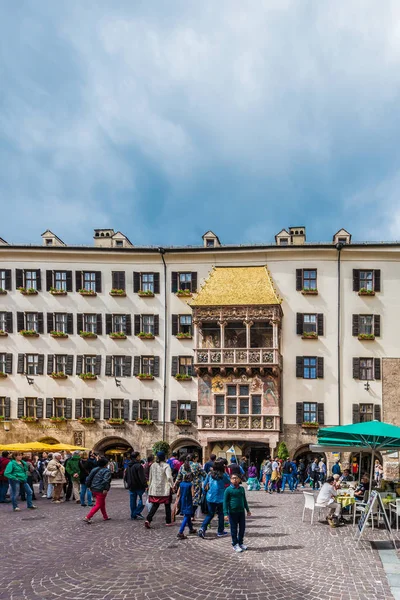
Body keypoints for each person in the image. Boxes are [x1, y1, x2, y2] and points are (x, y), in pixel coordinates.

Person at [198, 460, 230, 539]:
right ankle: (220, 531)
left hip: (210, 497)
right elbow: (229, 481)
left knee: (210, 514)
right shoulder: (223, 475)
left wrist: (205, 492)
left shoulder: (209, 474)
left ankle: (202, 528)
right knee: (221, 514)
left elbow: (204, 485)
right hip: (221, 498)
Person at [145, 451, 174, 529]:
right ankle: (168, 521)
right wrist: (172, 485)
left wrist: (149, 486)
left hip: (155, 488)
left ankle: (148, 519)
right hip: (164, 489)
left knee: (155, 505)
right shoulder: (166, 465)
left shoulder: (153, 465)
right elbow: (169, 477)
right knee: (167, 505)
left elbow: (150, 477)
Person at [223, 474, 251, 553]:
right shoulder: (228, 490)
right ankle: (235, 544)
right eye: (233, 478)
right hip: (232, 512)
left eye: (236, 478)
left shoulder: (241, 489)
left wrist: (247, 510)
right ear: (230, 480)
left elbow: (244, 500)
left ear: (239, 479)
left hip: (241, 512)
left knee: (242, 528)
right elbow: (225, 502)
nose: (235, 480)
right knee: (234, 529)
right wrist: (225, 513)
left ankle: (240, 542)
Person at [83, 457, 112, 524]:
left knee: (102, 503)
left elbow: (89, 478)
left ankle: (105, 516)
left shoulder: (94, 469)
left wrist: (89, 486)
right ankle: (88, 517)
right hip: (101, 489)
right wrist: (105, 488)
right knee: (99, 504)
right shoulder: (106, 470)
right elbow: (106, 480)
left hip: (93, 488)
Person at [124, 451, 147, 520]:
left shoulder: (128, 466)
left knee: (132, 501)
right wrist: (145, 485)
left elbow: (126, 476)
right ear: (137, 457)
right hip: (139, 486)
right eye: (139, 456)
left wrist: (128, 482)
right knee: (143, 500)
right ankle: (135, 513)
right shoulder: (139, 466)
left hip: (131, 486)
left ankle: (133, 515)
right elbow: (142, 477)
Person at [176, 472, 197, 539]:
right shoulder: (190, 484)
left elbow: (178, 493)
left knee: (187, 515)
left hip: (182, 501)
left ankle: (191, 529)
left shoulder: (181, 484)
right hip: (188, 501)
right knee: (187, 516)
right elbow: (193, 494)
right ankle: (180, 532)